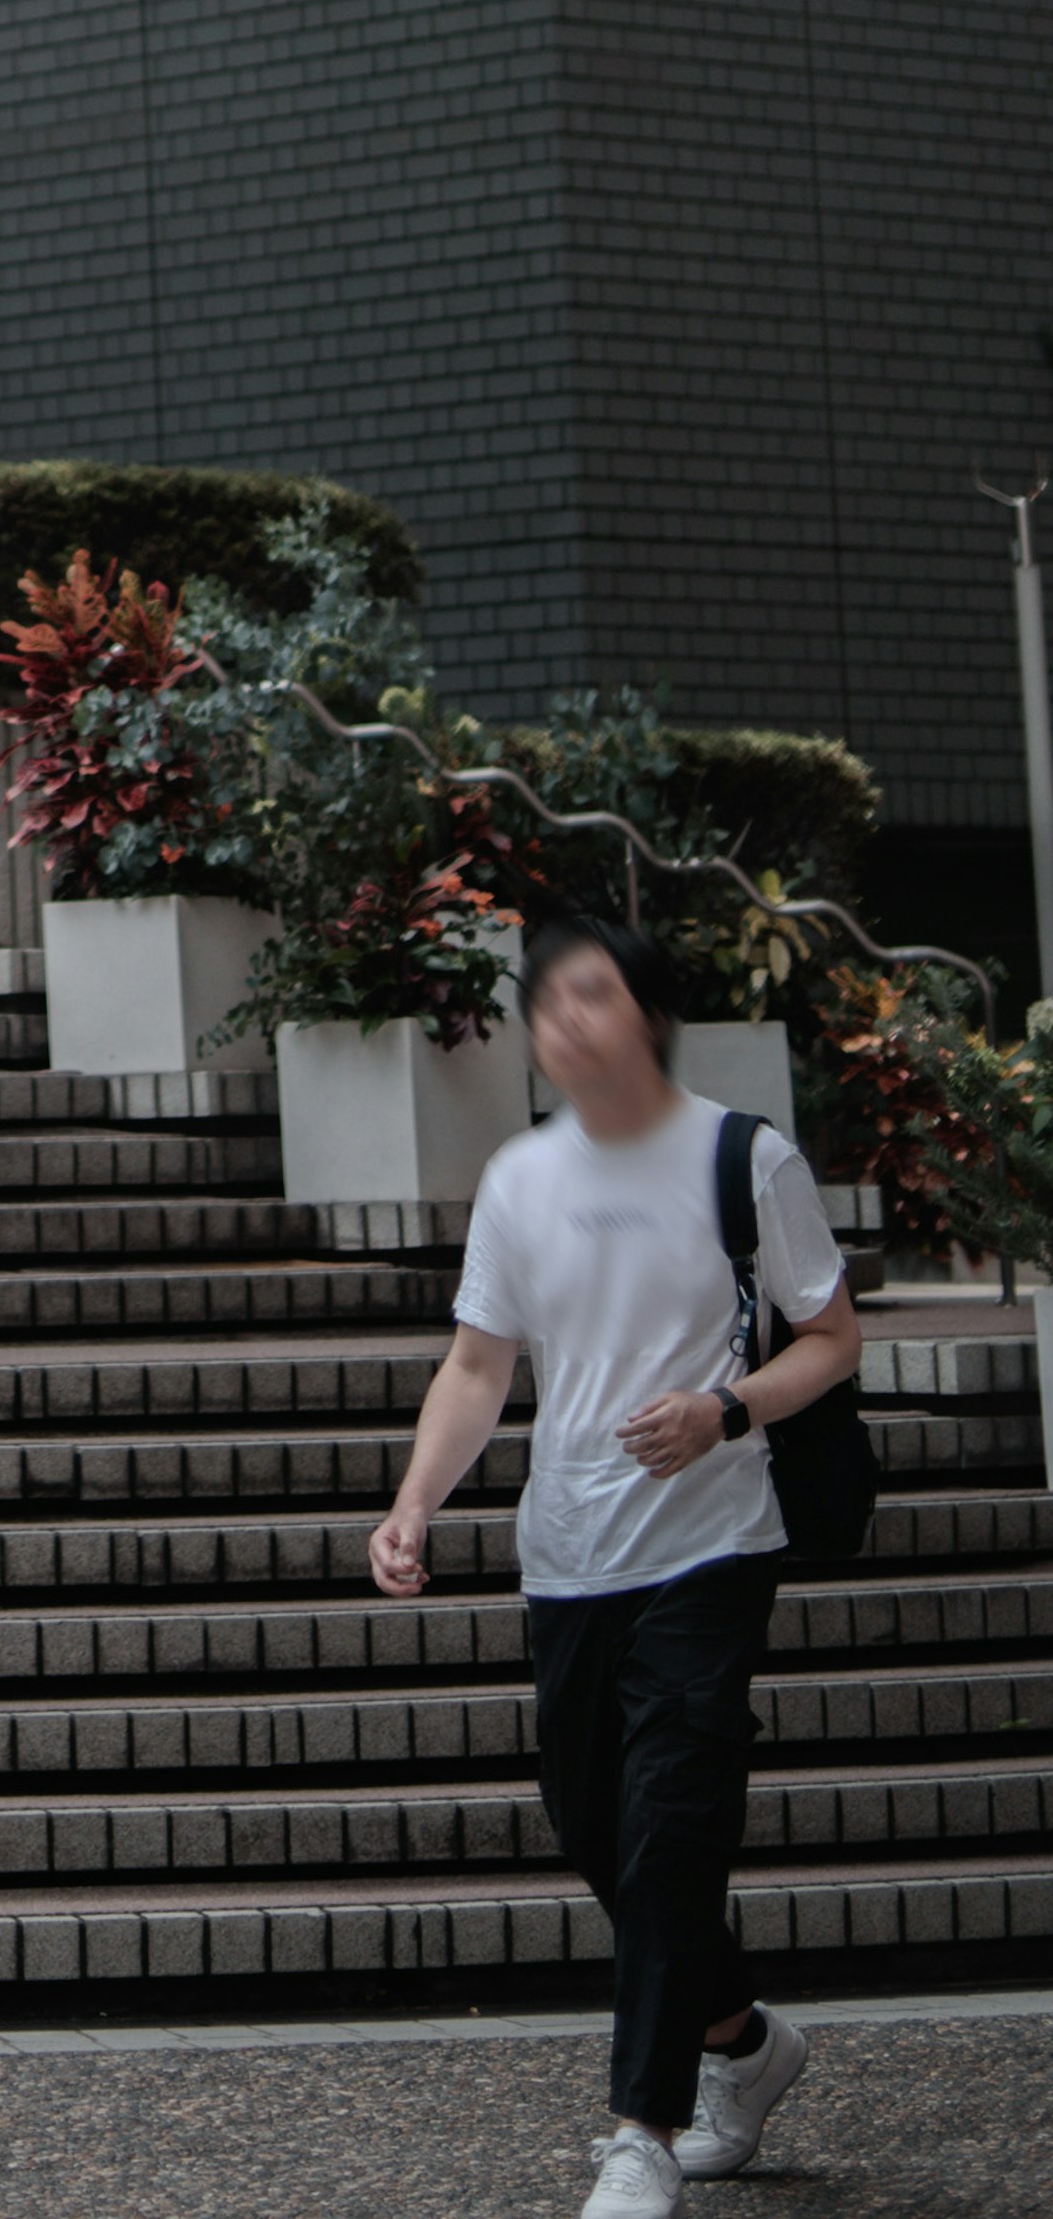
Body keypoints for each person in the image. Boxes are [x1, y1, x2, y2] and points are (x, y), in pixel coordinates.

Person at [367, 911, 864, 2218]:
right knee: (601, 1828)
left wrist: (728, 1409)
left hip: (710, 1549)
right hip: (569, 1559)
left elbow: (833, 1337)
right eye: (546, 1002)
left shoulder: (742, 1158)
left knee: (669, 1830)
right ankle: (744, 2045)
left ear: (646, 1010)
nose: (565, 1019)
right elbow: (479, 1366)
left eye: (590, 993)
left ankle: (641, 2130)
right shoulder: (522, 1179)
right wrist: (417, 1496)